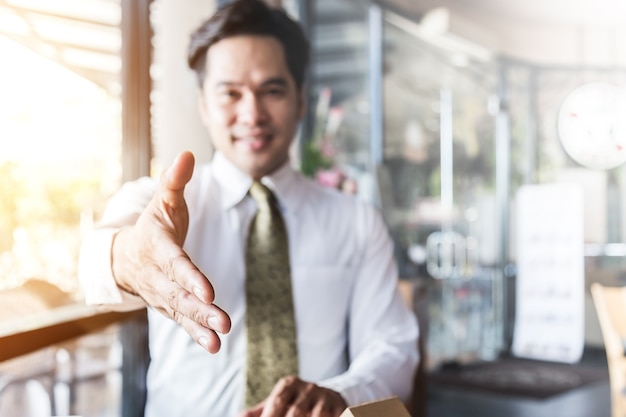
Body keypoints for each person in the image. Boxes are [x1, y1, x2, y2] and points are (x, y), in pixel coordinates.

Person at [78, 1, 419, 416]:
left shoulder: (357, 222)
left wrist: (341, 394)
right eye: (230, 93)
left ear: (301, 101)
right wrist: (130, 258)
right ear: (204, 104)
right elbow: (96, 259)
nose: (252, 114)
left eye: (271, 91)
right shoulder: (158, 202)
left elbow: (394, 349)